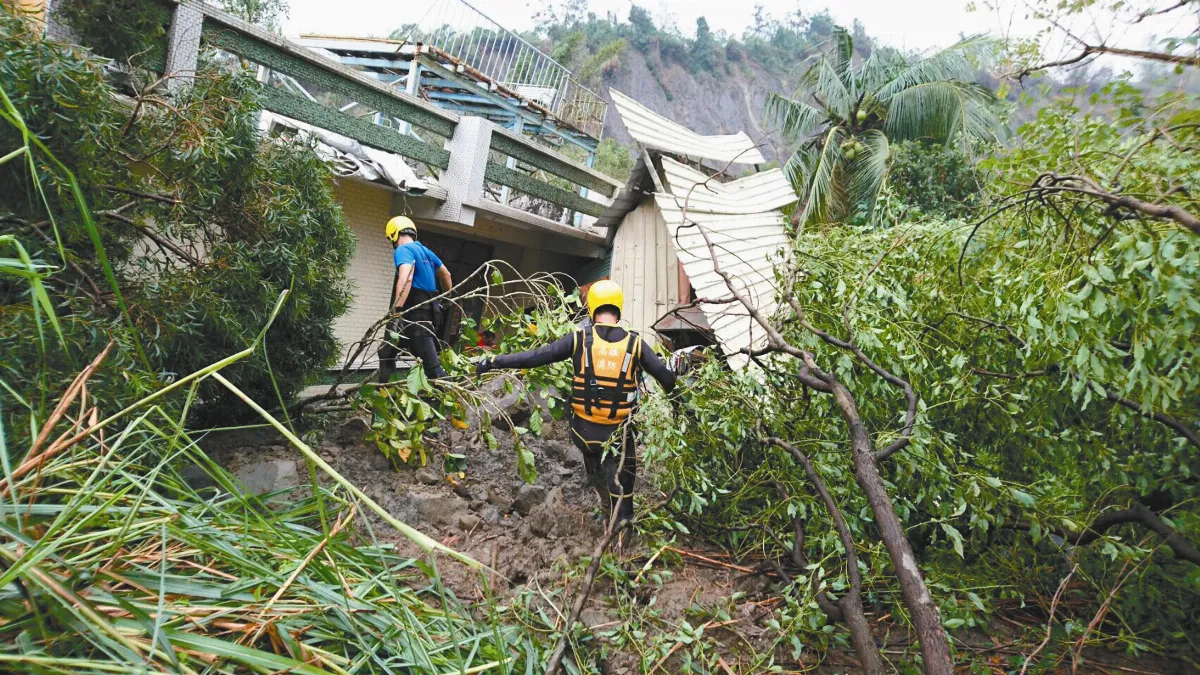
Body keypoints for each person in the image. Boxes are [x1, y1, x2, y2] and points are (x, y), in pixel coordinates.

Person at [474, 280, 676, 526]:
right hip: (616, 437)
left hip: (582, 433)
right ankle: (622, 522)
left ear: (592, 309)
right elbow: (667, 380)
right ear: (618, 309)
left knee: (595, 460)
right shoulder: (635, 344)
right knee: (623, 473)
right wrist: (680, 401)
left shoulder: (578, 338)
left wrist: (493, 360)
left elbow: (535, 357)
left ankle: (603, 501)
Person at [378, 216, 453, 382]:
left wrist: (397, 310)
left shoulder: (403, 250)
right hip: (425, 312)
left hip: (417, 316)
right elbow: (446, 274)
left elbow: (407, 278)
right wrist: (447, 299)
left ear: (394, 235)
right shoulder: (426, 251)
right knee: (386, 351)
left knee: (434, 371)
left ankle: (455, 398)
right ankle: (386, 393)